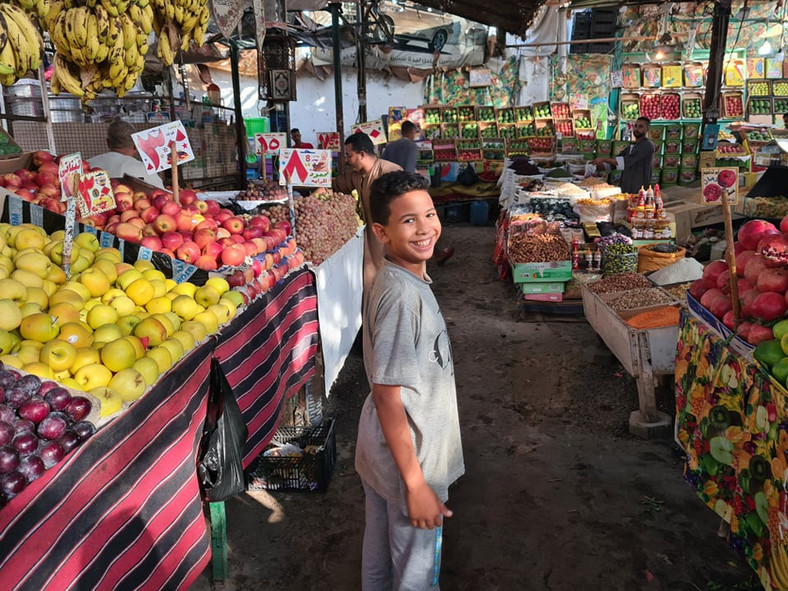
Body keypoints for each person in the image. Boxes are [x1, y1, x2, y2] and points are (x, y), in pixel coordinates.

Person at [355, 170, 464, 590]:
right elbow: (387, 396)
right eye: (408, 220)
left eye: (430, 214)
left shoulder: (402, 278)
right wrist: (417, 483)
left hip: (383, 455)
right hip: (408, 463)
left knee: (381, 558)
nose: (425, 229)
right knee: (416, 575)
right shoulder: (403, 296)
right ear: (381, 232)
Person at [334, 132, 401, 292]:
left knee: (392, 284)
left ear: (362, 154)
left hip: (391, 240)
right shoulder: (353, 175)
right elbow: (334, 188)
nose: (346, 160)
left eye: (349, 155)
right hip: (368, 240)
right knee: (370, 285)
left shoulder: (390, 172)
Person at [87, 119, 165, 189]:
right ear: (136, 145)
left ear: (108, 143)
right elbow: (162, 194)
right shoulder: (145, 170)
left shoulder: (87, 166)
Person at [591, 116, 655, 194]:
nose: (637, 129)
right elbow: (615, 163)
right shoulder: (632, 146)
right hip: (626, 187)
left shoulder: (647, 145)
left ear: (647, 129)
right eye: (635, 126)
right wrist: (593, 166)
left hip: (638, 190)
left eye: (640, 126)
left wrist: (603, 159)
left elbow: (624, 162)